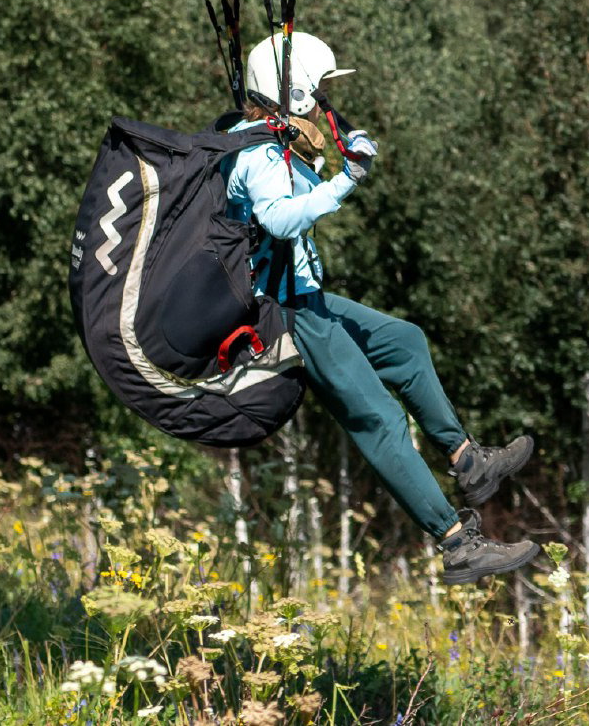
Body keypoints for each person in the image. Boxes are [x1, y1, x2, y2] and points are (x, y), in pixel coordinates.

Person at [222, 32, 539, 585]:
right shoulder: (259, 153)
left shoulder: (256, 136)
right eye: (317, 90)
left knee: (403, 340)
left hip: (305, 295)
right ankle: (457, 542)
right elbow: (278, 220)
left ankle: (470, 462)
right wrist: (347, 179)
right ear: (292, 92)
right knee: (381, 419)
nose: (322, 100)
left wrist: (338, 144)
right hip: (287, 311)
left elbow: (307, 160)